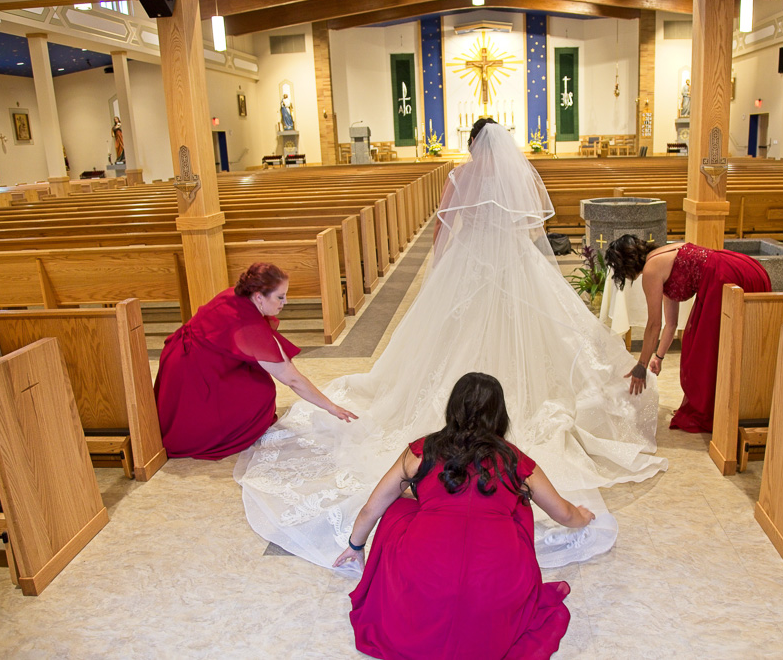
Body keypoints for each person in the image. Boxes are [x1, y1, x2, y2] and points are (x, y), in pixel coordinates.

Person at [235, 120, 666, 571]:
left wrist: (439, 274)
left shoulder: (460, 176)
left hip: (470, 265)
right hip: (514, 265)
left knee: (452, 341)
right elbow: (527, 230)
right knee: (533, 335)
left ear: (471, 145)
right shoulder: (515, 176)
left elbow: (444, 225)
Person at [333, 373, 591, 659]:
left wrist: (356, 546)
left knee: (395, 503)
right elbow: (564, 514)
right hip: (494, 584)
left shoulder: (421, 451)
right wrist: (582, 516)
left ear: (453, 408)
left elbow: (372, 508)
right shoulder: (515, 460)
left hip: (425, 576)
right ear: (499, 414)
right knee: (520, 505)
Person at [155, 262, 357, 459]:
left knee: (255, 373)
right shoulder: (248, 328)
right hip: (193, 374)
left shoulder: (236, 294)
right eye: (280, 297)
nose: (285, 302)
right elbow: (292, 379)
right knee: (261, 392)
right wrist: (332, 407)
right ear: (259, 296)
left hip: (180, 359)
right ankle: (219, 429)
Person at [605, 235, 772, 433]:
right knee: (702, 347)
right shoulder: (660, 257)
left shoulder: (651, 270)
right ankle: (723, 406)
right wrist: (658, 357)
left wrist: (641, 366)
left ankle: (710, 410)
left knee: (700, 353)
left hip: (723, 278)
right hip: (738, 266)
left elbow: (653, 324)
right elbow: (671, 323)